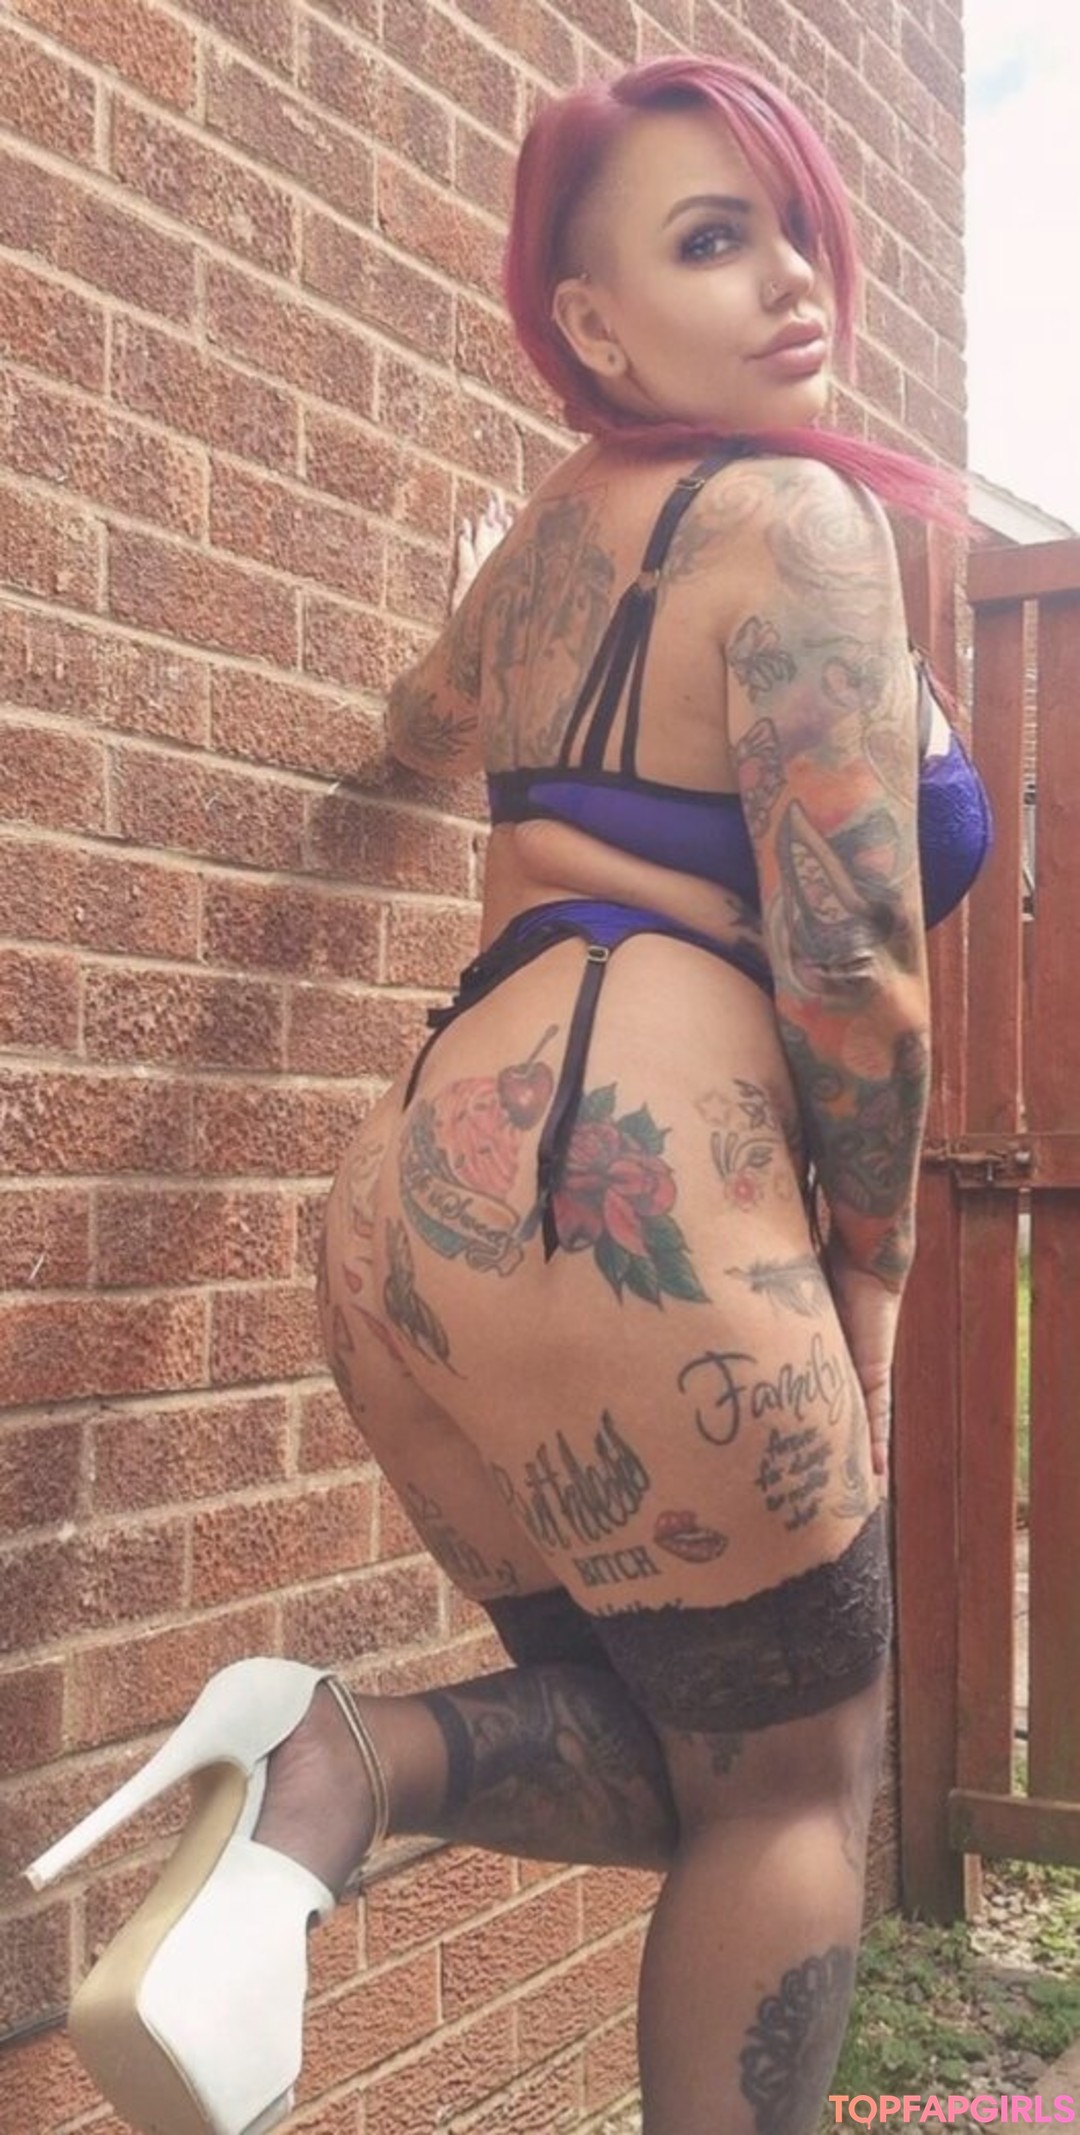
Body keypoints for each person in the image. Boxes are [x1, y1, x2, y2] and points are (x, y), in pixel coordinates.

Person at [26, 52, 991, 2135]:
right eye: (713, 240)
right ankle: (341, 1768)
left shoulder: (550, 541)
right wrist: (875, 1277)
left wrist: (489, 757)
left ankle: (341, 1769)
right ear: (591, 325)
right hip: (636, 1204)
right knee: (797, 1788)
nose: (796, 278)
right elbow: (852, 959)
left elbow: (424, 721)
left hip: (411, 1219)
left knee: (686, 1756)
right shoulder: (803, 516)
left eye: (797, 229)